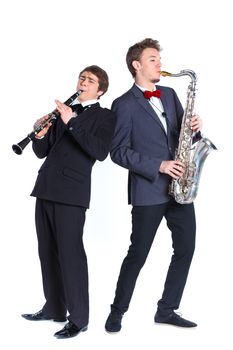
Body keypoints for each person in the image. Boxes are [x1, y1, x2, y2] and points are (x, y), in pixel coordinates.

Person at [105, 38, 203, 332]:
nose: (159, 63)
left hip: (180, 188)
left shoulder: (171, 94)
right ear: (136, 65)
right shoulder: (123, 104)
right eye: (152, 59)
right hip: (148, 191)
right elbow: (118, 151)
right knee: (138, 254)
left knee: (186, 248)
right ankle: (117, 311)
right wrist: (158, 165)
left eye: (159, 58)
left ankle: (167, 309)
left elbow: (183, 137)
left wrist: (195, 128)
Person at [21, 65, 116, 339]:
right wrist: (39, 134)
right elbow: (43, 152)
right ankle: (54, 308)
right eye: (82, 77)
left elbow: (100, 152)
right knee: (46, 250)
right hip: (46, 187)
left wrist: (71, 121)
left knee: (71, 255)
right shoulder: (65, 112)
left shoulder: (105, 116)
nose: (83, 82)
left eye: (90, 80)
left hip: (71, 193)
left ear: (100, 89)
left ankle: (79, 318)